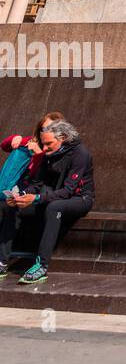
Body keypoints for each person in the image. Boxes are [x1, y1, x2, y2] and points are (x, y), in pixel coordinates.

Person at [0, 119, 95, 284]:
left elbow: (67, 191)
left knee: (54, 208)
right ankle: (2, 262)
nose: (44, 148)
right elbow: (36, 185)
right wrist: (21, 195)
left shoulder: (81, 154)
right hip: (50, 195)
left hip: (79, 199)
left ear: (63, 137)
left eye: (49, 143)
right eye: (43, 144)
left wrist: (36, 198)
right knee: (11, 206)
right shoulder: (48, 155)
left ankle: (41, 265)